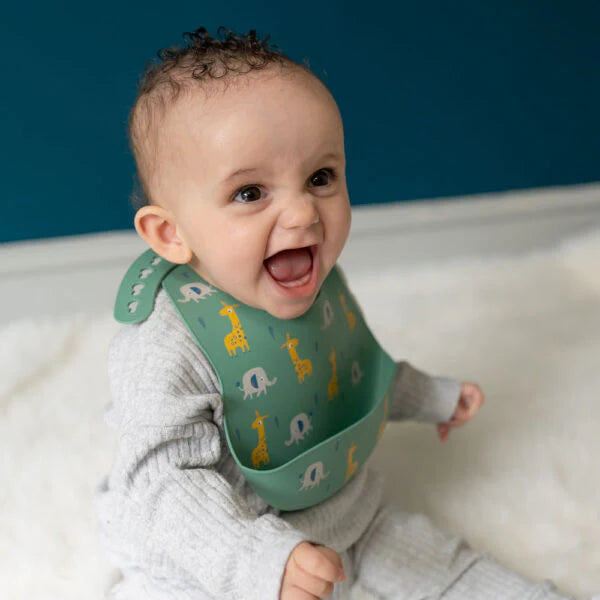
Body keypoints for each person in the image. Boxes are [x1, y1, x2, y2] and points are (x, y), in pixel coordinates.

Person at [95, 26, 573, 600]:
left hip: (342, 514)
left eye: (320, 178)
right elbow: (163, 487)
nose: (303, 213)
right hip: (209, 555)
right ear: (171, 234)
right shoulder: (165, 347)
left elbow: (348, 370)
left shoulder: (311, 280)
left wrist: (431, 396)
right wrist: (261, 560)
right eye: (250, 193)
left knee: (445, 567)